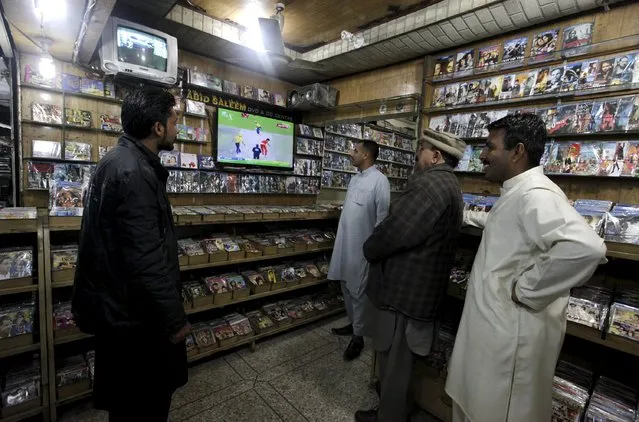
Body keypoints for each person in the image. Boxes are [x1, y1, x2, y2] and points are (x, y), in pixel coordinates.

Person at [445, 114, 607, 422]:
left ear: (517, 152)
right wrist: (466, 216)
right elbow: (504, 226)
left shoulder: (536, 194)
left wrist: (527, 288)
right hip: (490, 338)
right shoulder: (518, 193)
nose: (482, 156)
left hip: (506, 348)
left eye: (490, 148)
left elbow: (586, 247)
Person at [72, 87, 191, 422]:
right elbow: (146, 258)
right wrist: (175, 318)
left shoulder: (116, 160)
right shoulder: (136, 173)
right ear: (157, 127)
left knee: (126, 408)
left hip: (119, 313)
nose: (177, 128)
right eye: (174, 120)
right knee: (145, 407)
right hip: (137, 322)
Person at [355, 130, 467, 422]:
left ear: (437, 155)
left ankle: (389, 417)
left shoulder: (430, 186)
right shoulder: (450, 184)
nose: (418, 154)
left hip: (406, 292)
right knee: (401, 365)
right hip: (422, 292)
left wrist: (369, 247)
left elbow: (395, 232)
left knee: (394, 363)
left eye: (422, 149)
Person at [328, 140, 390, 361]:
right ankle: (354, 325)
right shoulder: (355, 178)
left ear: (365, 155)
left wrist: (373, 249)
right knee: (345, 286)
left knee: (359, 291)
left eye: (355, 150)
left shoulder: (380, 181)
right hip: (345, 244)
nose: (350, 153)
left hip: (363, 248)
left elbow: (381, 220)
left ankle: (359, 337)